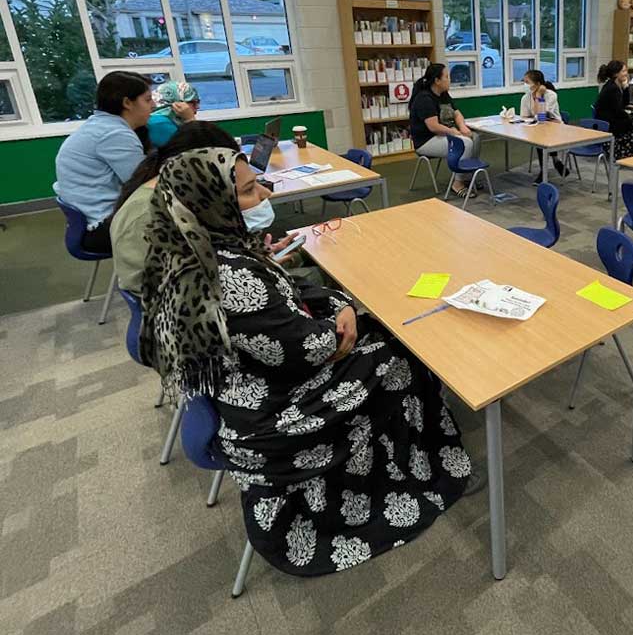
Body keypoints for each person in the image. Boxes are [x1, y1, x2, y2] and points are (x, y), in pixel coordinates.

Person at [139, 146, 479, 577]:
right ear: (211, 205)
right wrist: (346, 312)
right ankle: (422, 463)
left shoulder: (191, 249)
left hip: (247, 391)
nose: (264, 194)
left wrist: (325, 298)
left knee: (376, 329)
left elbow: (286, 306)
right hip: (272, 419)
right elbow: (311, 349)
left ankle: (409, 444)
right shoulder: (230, 275)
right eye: (248, 191)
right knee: (401, 350)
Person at [111, 121, 317, 297]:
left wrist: (256, 255)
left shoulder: (177, 195)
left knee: (306, 258)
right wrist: (260, 266)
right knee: (320, 278)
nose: (264, 193)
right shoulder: (148, 216)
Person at [54, 71, 153, 253]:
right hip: (102, 228)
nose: (153, 106)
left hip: (88, 222)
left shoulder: (99, 126)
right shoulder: (115, 134)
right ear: (127, 103)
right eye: (147, 100)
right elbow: (145, 186)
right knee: (190, 225)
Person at [409, 63, 481, 198]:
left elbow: (457, 113)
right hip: (427, 140)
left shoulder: (443, 94)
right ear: (437, 81)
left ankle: (467, 177)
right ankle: (457, 183)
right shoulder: (424, 98)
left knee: (475, 138)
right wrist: (453, 132)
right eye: (447, 77)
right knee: (465, 143)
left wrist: (462, 127)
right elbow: (433, 126)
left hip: (445, 134)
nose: (450, 80)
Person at [519, 69, 567, 183]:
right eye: (524, 81)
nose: (525, 84)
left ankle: (544, 171)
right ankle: (555, 160)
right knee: (539, 138)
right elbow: (524, 117)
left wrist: (539, 95)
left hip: (556, 128)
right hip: (538, 127)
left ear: (538, 84)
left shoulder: (551, 95)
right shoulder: (525, 97)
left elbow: (540, 115)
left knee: (541, 141)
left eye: (527, 82)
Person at [594, 60, 633, 160]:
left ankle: (630, 150)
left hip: (611, 119)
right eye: (623, 71)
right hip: (609, 122)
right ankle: (627, 151)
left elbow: (624, 103)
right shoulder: (612, 88)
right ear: (615, 73)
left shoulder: (614, 85)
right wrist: (631, 117)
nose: (626, 73)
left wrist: (626, 87)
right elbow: (618, 111)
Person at [146, 81, 200, 147]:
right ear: (177, 103)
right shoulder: (160, 123)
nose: (198, 107)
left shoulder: (173, 120)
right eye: (193, 102)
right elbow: (197, 148)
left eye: (198, 102)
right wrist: (191, 120)